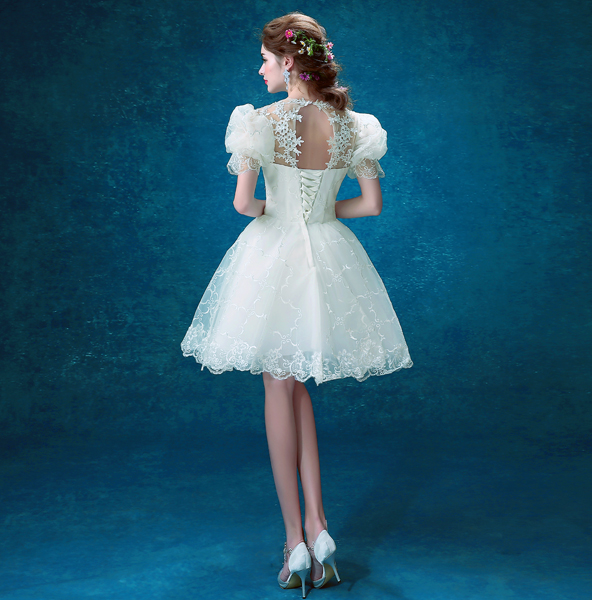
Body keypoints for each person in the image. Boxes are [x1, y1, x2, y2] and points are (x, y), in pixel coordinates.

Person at [181, 12, 412, 597]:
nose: (259, 71)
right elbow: (371, 205)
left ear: (288, 62)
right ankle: (321, 529)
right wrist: (322, 215)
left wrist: (281, 213)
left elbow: (243, 205)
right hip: (330, 254)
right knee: (296, 382)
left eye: (264, 60)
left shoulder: (258, 122)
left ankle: (295, 542)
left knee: (277, 385)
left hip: (273, 257)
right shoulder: (356, 126)